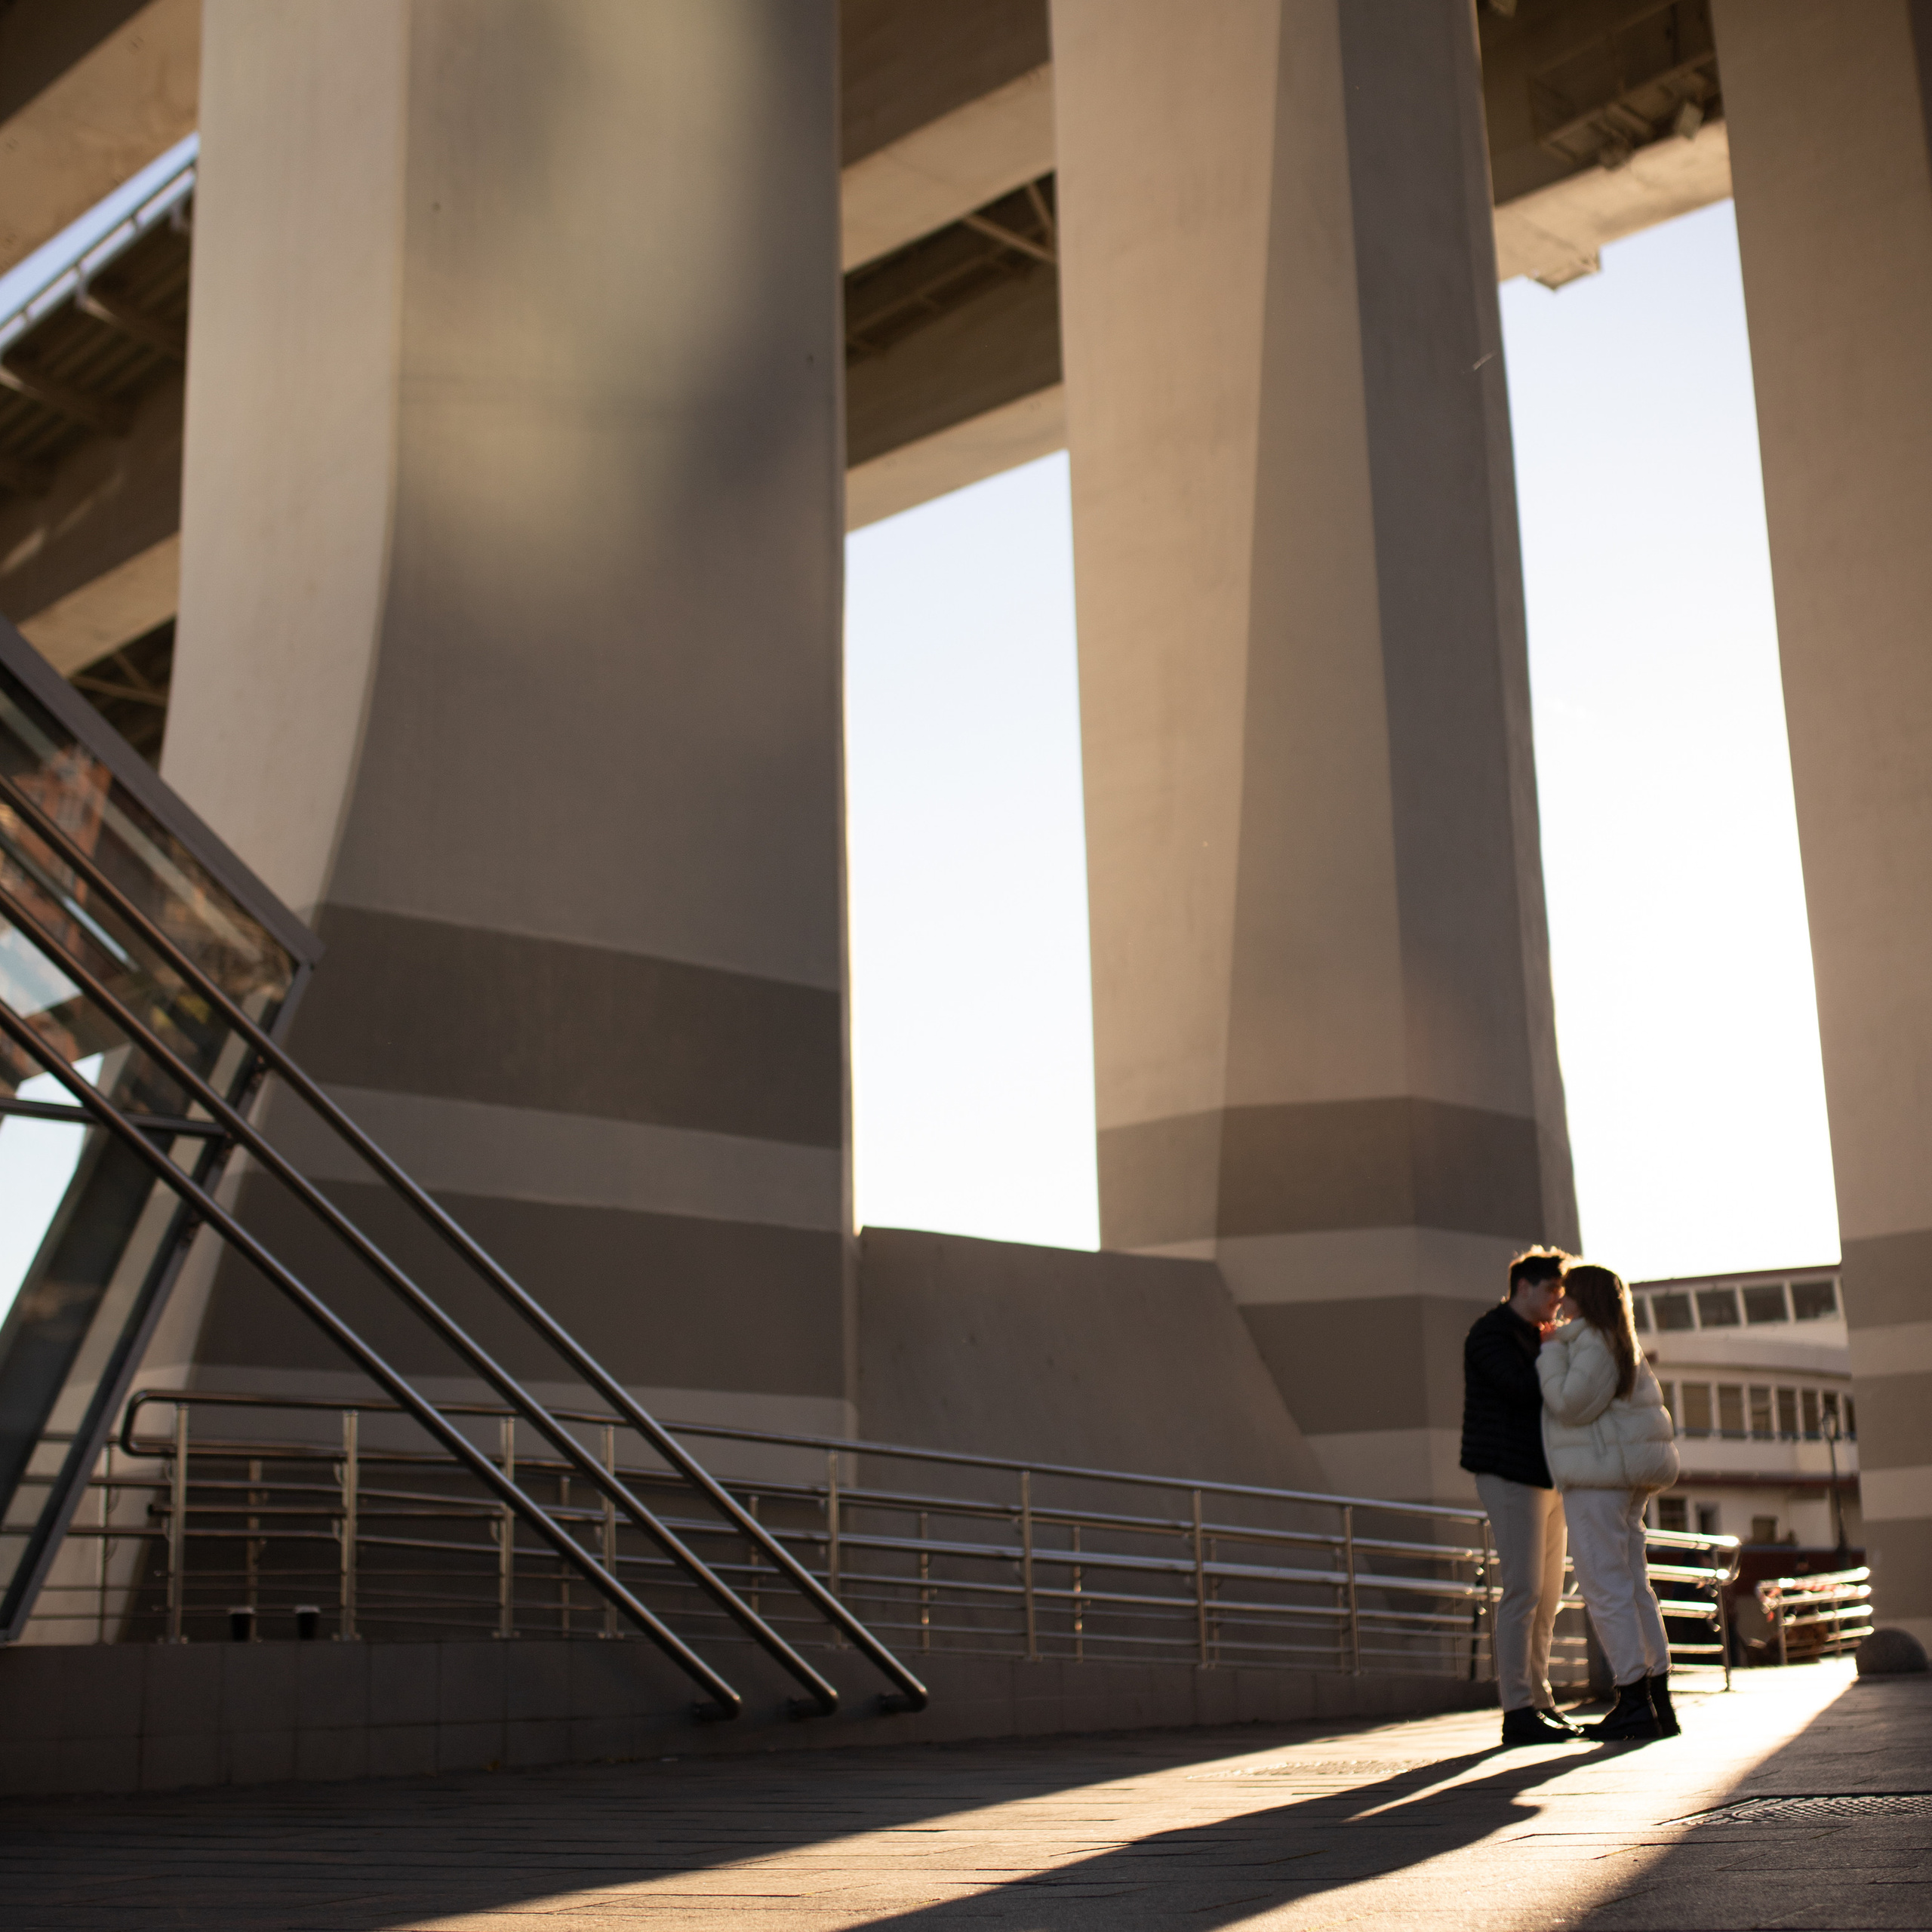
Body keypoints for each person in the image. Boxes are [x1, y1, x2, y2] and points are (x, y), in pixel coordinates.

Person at [1538, 1261, 1682, 1742]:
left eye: (1568, 1293)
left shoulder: (1590, 1343)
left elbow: (1570, 1403)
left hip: (1599, 1481)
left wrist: (1549, 1352)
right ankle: (1657, 1701)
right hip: (1619, 1479)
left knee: (1606, 1588)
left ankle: (1634, 1699)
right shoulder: (1617, 1341)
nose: (1560, 1301)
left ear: (1585, 1298)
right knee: (1634, 1587)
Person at [1461, 1246, 1583, 1746]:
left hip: (1549, 1474)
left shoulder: (1540, 1336)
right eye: (1554, 1289)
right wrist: (1556, 1352)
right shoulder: (1490, 1332)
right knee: (1523, 1591)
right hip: (1510, 1472)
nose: (1559, 1299)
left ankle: (1540, 1697)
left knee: (1549, 1595)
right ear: (1526, 1286)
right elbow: (1522, 1389)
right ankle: (1518, 1708)